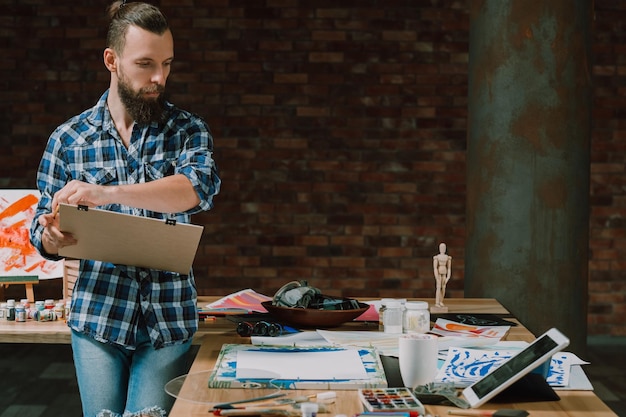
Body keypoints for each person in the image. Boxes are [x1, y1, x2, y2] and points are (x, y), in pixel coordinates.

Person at [29, 2, 220, 416]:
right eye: (146, 64)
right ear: (111, 61)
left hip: (167, 320)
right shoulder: (68, 139)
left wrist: (106, 193)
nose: (159, 78)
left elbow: (194, 189)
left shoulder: (188, 130)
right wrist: (50, 235)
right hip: (98, 316)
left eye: (167, 63)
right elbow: (39, 226)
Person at [433, 242, 452, 307]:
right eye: (441, 248)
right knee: (438, 288)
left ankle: (441, 301)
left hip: (444, 274)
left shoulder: (447, 258)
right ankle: (437, 303)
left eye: (444, 248)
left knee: (443, 288)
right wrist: (436, 277)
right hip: (439, 274)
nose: (442, 249)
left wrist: (448, 277)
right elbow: (435, 268)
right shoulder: (437, 257)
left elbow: (449, 268)